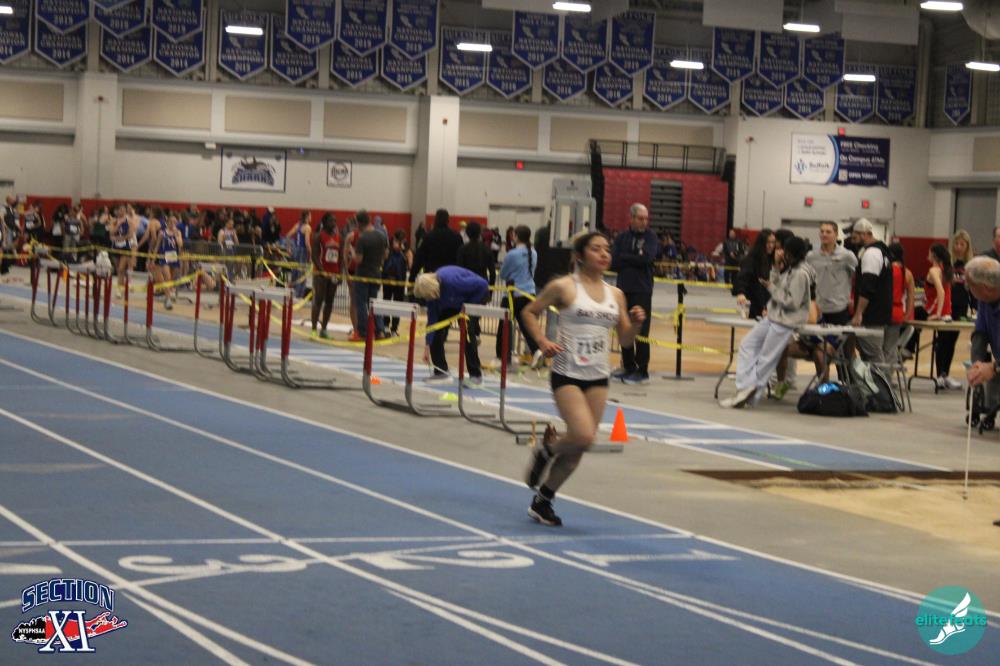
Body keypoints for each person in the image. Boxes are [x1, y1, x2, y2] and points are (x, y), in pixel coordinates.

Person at [519, 231, 646, 526]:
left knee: (580, 446)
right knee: (583, 435)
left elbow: (626, 340)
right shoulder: (564, 286)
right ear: (579, 255)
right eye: (596, 249)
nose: (604, 254)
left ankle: (543, 500)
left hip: (598, 376)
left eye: (607, 249)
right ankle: (546, 450)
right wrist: (542, 341)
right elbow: (529, 312)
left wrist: (637, 324)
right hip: (567, 372)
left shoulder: (616, 294)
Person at [720, 236, 812, 408]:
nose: (780, 252)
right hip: (773, 316)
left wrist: (770, 287)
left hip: (786, 321)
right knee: (747, 344)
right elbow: (777, 286)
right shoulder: (789, 269)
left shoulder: (800, 273)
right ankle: (744, 387)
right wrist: (775, 270)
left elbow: (792, 302)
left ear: (791, 252)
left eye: (784, 250)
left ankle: (748, 391)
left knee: (767, 358)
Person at [413, 266, 489, 384]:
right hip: (451, 302)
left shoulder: (451, 281)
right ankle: (440, 371)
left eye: (426, 296)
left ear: (432, 290)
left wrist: (468, 306)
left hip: (471, 298)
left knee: (468, 334)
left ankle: (476, 374)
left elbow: (483, 285)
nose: (426, 299)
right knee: (436, 331)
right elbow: (432, 322)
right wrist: (427, 345)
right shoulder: (432, 297)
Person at [609, 203, 659, 384]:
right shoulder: (622, 237)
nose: (644, 222)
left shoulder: (651, 237)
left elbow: (647, 258)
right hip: (623, 289)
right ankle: (628, 366)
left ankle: (642, 370)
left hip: (642, 289)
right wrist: (635, 257)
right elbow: (614, 262)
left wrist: (626, 257)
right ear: (631, 218)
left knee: (642, 330)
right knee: (624, 328)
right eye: (640, 218)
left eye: (646, 219)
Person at [849, 219, 893, 364]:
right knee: (869, 354)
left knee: (873, 355)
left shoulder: (872, 253)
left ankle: (880, 379)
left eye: (855, 235)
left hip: (871, 315)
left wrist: (859, 313)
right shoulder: (881, 251)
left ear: (865, 234)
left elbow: (868, 286)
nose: (852, 238)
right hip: (878, 312)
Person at [497, 225, 541, 367]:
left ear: (515, 236)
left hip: (513, 294)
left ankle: (503, 357)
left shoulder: (512, 254)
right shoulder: (533, 253)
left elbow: (503, 274)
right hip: (529, 293)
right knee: (526, 326)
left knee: (504, 326)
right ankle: (536, 351)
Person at [966, 256, 1000, 433]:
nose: (967, 288)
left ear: (986, 287)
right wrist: (977, 364)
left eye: (970, 285)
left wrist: (993, 367)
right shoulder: (984, 301)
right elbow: (980, 334)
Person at [806, 221, 858, 326]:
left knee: (837, 337)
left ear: (836, 234)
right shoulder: (811, 256)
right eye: (822, 231)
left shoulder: (847, 255)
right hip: (817, 309)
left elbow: (858, 279)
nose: (824, 234)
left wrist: (853, 300)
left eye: (828, 232)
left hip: (839, 309)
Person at [925, 243, 960, 389]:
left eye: (929, 252)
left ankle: (941, 376)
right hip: (947, 313)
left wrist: (938, 314)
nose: (927, 255)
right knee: (946, 343)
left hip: (936, 312)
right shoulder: (946, 270)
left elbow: (941, 292)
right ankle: (943, 375)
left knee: (943, 344)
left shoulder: (934, 270)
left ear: (933, 254)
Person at [353, 210, 388, 339]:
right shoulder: (382, 236)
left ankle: (364, 332)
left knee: (362, 303)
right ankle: (380, 330)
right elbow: (386, 255)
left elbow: (358, 259)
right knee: (374, 303)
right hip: (376, 274)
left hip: (363, 275)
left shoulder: (362, 238)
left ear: (359, 223)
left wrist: (351, 251)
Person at [408, 208, 463, 283]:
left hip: (431, 277)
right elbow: (461, 259)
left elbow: (419, 258)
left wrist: (412, 277)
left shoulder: (428, 237)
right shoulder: (457, 237)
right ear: (448, 221)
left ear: (435, 220)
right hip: (451, 277)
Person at [883, 243, 916, 359]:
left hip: (883, 311)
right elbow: (911, 297)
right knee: (890, 349)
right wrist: (907, 314)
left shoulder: (886, 270)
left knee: (878, 348)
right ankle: (888, 369)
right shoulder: (908, 273)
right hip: (897, 312)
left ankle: (879, 370)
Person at [733, 229, 775, 319]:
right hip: (753, 302)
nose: (771, 245)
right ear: (762, 243)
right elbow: (742, 277)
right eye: (768, 242)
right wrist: (741, 293)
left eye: (773, 242)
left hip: (764, 302)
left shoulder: (768, 259)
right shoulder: (751, 259)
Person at [310, 213, 340, 338]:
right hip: (321, 274)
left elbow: (340, 257)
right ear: (325, 222)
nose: (334, 223)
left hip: (334, 274)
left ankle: (324, 329)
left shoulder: (338, 237)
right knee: (318, 300)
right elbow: (314, 256)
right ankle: (313, 329)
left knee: (330, 301)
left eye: (335, 220)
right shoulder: (318, 236)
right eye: (331, 220)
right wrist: (322, 272)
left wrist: (340, 274)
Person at [382, 229, 411, 335]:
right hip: (397, 280)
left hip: (391, 279)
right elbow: (410, 264)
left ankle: (388, 326)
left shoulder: (389, 247)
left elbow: (383, 260)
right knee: (394, 303)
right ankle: (391, 327)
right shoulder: (404, 249)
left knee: (389, 301)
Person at [155, 213, 183, 310]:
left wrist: (176, 235)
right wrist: (152, 259)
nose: (172, 224)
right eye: (171, 222)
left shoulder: (178, 232)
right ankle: (168, 299)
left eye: (174, 222)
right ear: (167, 222)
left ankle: (167, 297)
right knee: (167, 276)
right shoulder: (162, 233)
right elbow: (157, 246)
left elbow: (180, 244)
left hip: (173, 257)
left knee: (170, 279)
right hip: (164, 256)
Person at [109, 205, 136, 297]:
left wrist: (119, 238)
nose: (121, 212)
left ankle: (119, 289)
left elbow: (130, 235)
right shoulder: (114, 221)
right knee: (118, 269)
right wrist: (118, 225)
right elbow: (111, 233)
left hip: (125, 247)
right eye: (119, 210)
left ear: (125, 211)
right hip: (116, 247)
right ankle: (121, 285)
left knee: (121, 268)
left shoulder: (130, 221)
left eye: (123, 210)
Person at [285, 211, 312, 298]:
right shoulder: (307, 228)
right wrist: (311, 253)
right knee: (302, 275)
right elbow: (307, 243)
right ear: (307, 216)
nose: (311, 217)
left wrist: (288, 248)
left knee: (295, 273)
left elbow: (287, 236)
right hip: (303, 251)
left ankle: (292, 294)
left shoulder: (298, 225)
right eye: (310, 215)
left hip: (296, 250)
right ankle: (299, 296)